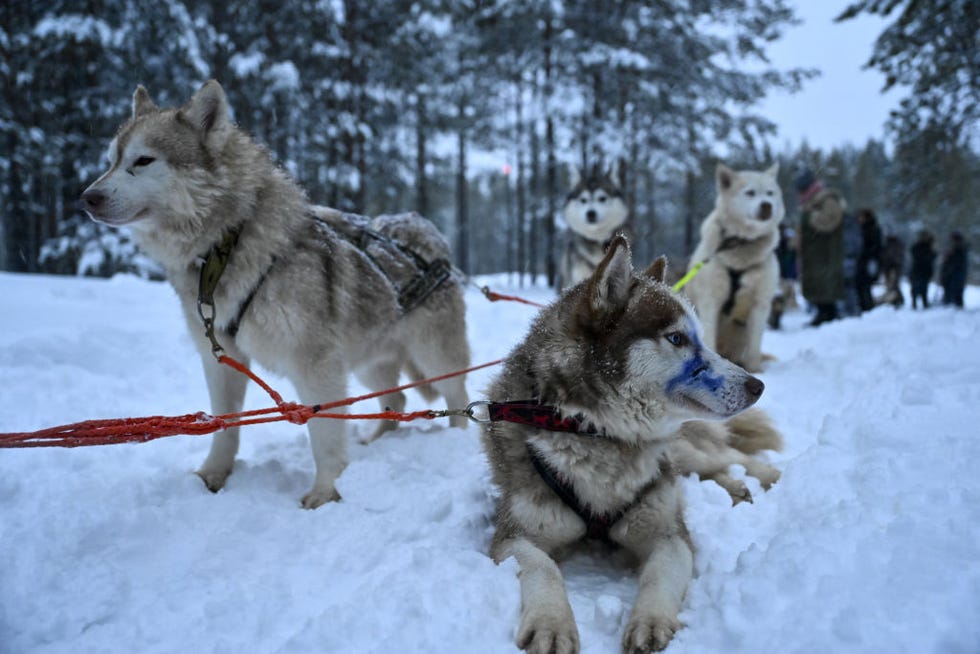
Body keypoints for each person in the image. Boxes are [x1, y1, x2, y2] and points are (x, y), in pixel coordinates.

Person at [795, 167, 846, 326]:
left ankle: (828, 314)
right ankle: (822, 312)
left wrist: (810, 217)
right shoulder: (809, 203)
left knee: (825, 284)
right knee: (816, 284)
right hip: (814, 254)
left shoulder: (827, 199)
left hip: (826, 253)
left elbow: (830, 221)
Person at [855, 208, 883, 312]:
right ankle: (864, 306)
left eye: (861, 217)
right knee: (861, 286)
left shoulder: (873, 230)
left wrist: (867, 255)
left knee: (865, 286)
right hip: (862, 262)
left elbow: (876, 247)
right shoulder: (860, 229)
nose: (859, 219)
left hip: (868, 262)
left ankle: (867, 307)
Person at [939, 231, 969, 308]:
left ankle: (953, 304)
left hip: (956, 273)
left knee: (955, 289)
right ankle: (949, 303)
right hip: (951, 273)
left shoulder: (960, 248)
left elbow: (957, 262)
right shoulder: (954, 248)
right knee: (950, 288)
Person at [909, 230, 937, 309]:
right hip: (917, 271)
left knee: (924, 289)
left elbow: (933, 256)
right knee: (915, 288)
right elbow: (917, 255)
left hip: (925, 271)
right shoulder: (917, 247)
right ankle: (914, 303)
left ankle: (924, 303)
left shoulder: (929, 247)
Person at [878, 234, 905, 307]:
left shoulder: (897, 244)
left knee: (894, 286)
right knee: (891, 286)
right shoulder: (886, 243)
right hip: (888, 268)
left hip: (894, 268)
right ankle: (895, 301)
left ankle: (897, 301)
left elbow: (898, 257)